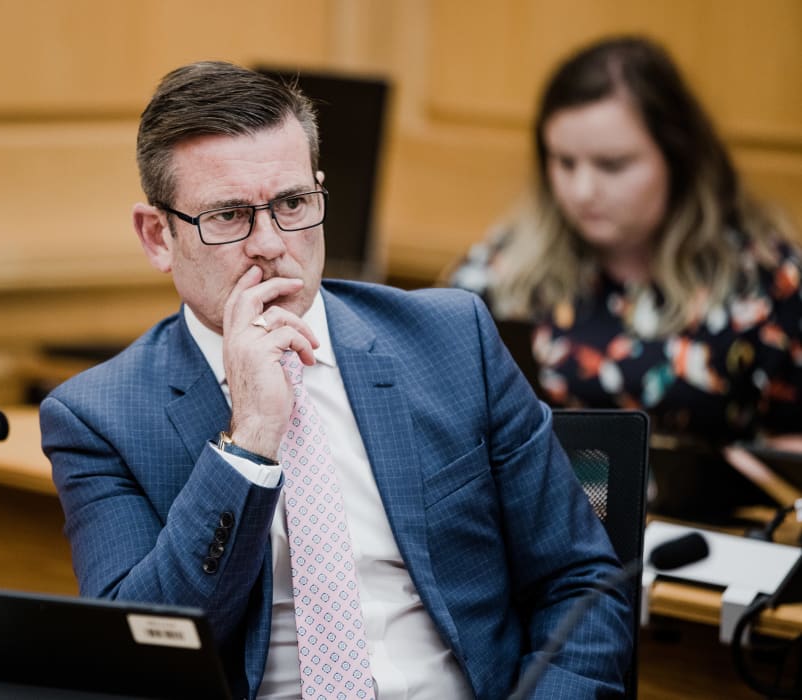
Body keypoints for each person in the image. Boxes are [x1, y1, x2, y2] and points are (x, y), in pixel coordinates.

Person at [41, 60, 631, 700]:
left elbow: (582, 585)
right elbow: (140, 657)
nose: (269, 243)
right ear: (158, 236)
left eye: (292, 203)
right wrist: (249, 442)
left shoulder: (451, 340)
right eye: (230, 215)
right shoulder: (97, 417)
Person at [448, 36, 802, 518]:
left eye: (612, 165)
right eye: (564, 162)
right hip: (537, 535)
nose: (582, 190)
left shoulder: (765, 279)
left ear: (676, 156)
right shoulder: (499, 271)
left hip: (707, 548)